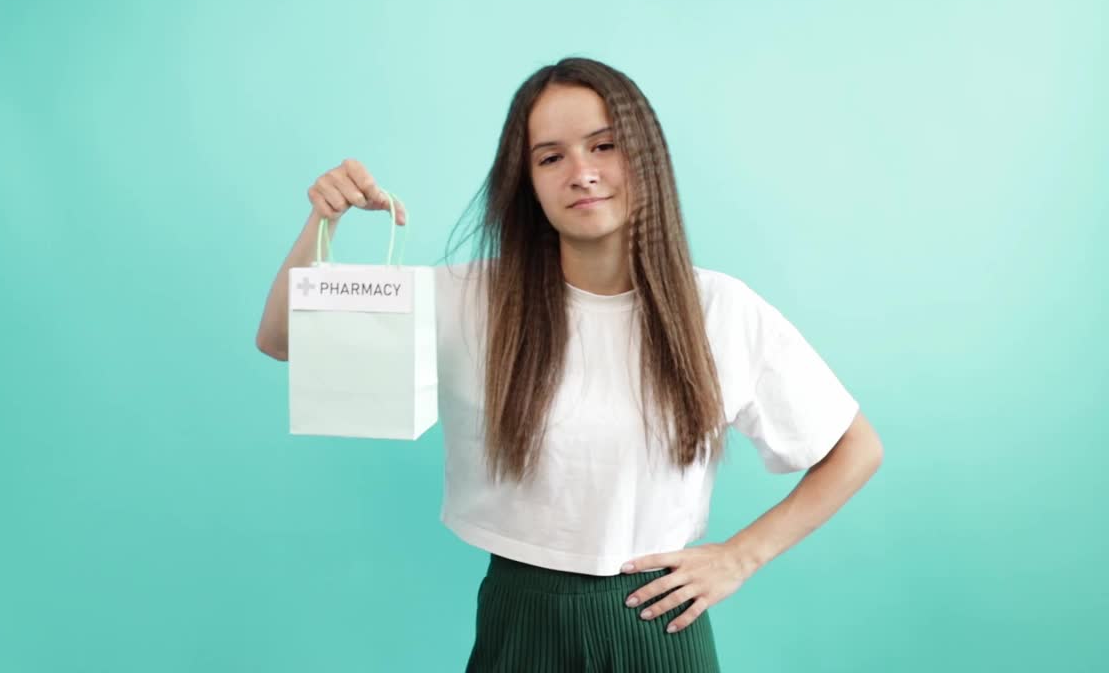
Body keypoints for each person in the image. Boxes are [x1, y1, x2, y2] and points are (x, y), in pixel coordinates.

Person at [256, 57, 884, 672]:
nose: (582, 173)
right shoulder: (470, 299)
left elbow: (856, 448)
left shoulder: (721, 309)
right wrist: (322, 221)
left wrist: (741, 557)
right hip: (518, 616)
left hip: (656, 619)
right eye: (551, 157)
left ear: (645, 157)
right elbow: (283, 339)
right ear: (526, 183)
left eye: (603, 146)